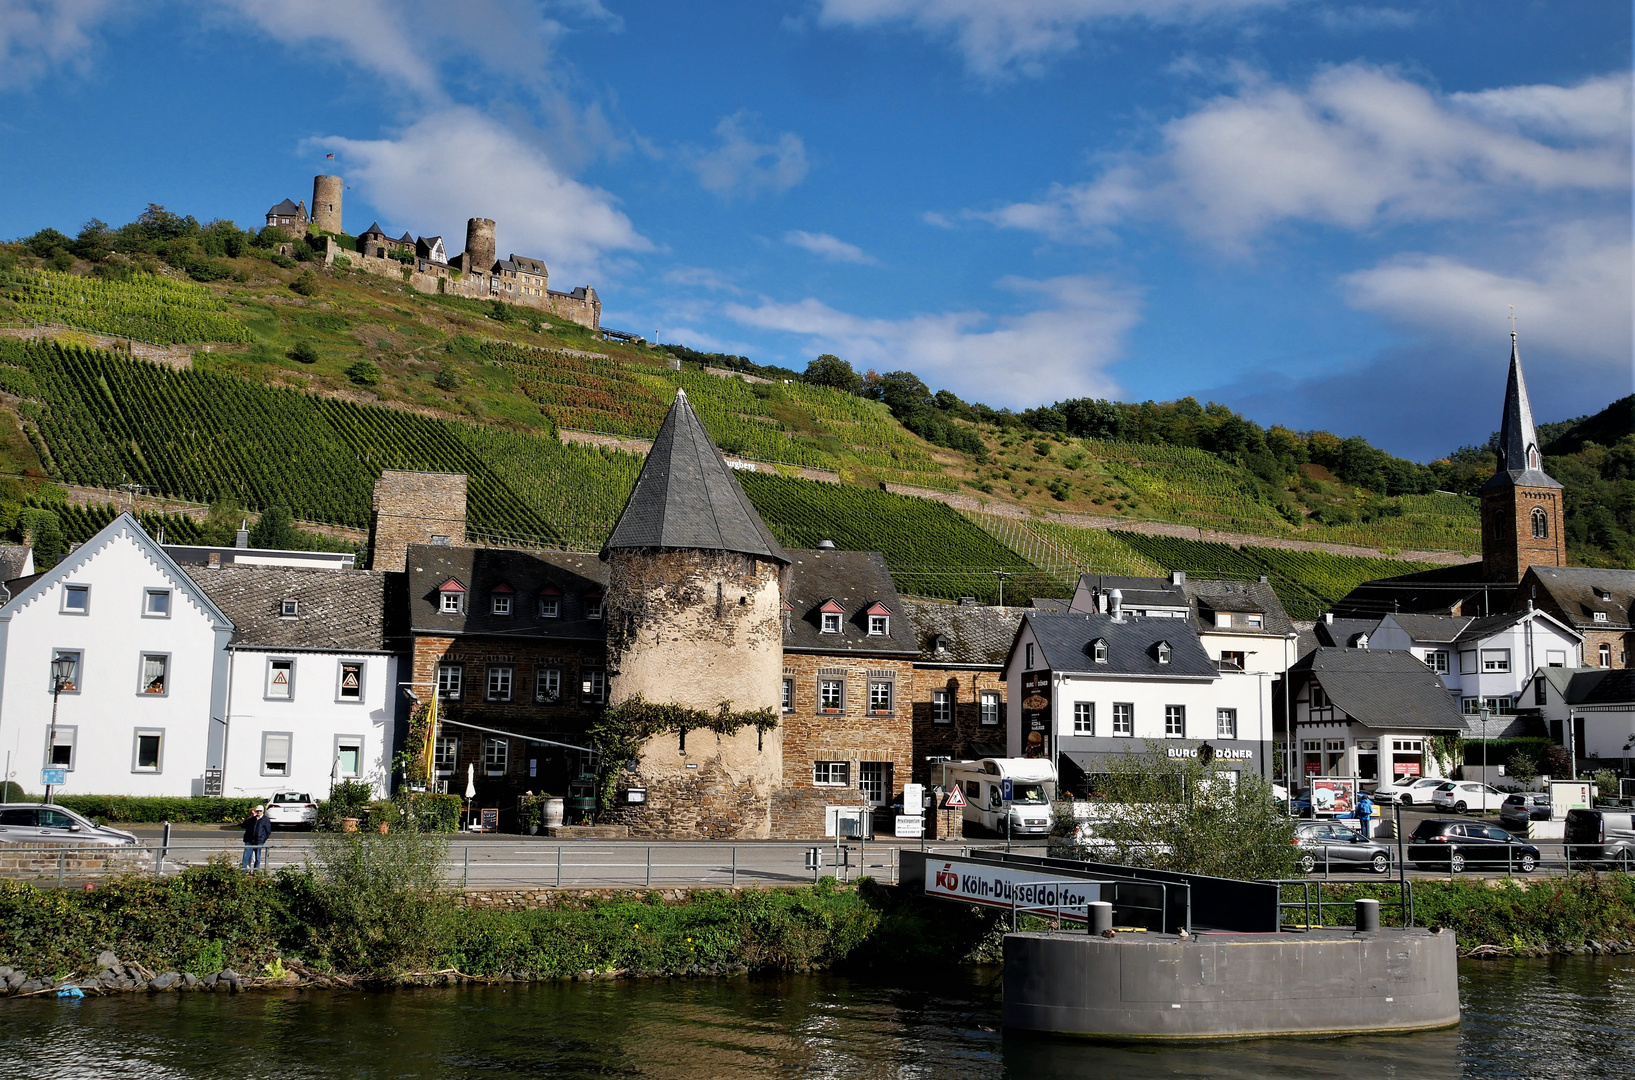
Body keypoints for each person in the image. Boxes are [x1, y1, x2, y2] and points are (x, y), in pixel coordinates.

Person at [241, 804, 272, 870]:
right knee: (246, 857)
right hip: (250, 840)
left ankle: (256, 871)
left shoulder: (266, 820)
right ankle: (243, 871)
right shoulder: (252, 819)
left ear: (263, 811)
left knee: (257, 858)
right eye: (257, 811)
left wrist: (263, 839)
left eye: (260, 811)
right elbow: (243, 825)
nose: (258, 812)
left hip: (259, 841)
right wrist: (249, 818)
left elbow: (268, 831)